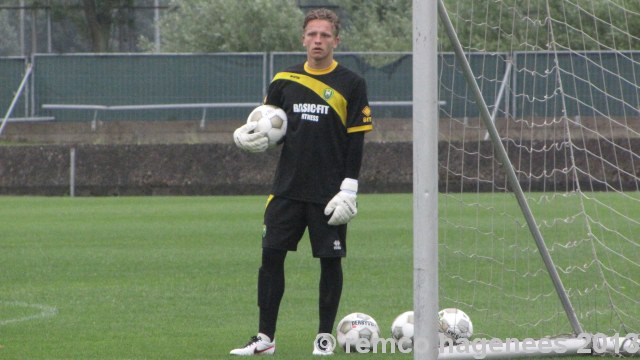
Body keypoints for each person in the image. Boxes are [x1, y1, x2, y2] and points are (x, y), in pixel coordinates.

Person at [230, 7, 373, 356]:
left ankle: (324, 338)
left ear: (336, 41)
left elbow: (356, 141)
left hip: (329, 194)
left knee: (330, 263)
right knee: (271, 259)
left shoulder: (352, 84)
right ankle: (265, 339)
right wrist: (242, 136)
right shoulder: (284, 80)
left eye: (325, 35)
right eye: (312, 34)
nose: (318, 41)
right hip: (286, 190)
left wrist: (349, 189)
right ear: (303, 39)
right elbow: (265, 128)